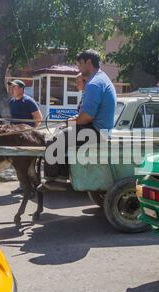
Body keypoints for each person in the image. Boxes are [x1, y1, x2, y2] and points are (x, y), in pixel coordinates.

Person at [42, 49, 117, 191]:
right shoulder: (101, 79)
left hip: (97, 131)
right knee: (62, 131)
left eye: (79, 64)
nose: (78, 68)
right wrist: (70, 122)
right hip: (98, 129)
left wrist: (70, 121)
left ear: (89, 62)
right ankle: (62, 175)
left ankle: (53, 178)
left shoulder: (94, 83)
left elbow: (87, 116)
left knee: (55, 140)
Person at [8, 79, 43, 195]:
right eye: (11, 87)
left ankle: (33, 188)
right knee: (18, 164)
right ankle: (23, 186)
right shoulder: (12, 102)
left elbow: (38, 119)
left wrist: (32, 133)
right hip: (15, 138)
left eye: (14, 87)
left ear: (21, 89)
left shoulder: (28, 101)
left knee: (27, 166)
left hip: (27, 138)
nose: (12, 89)